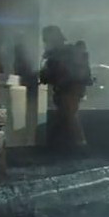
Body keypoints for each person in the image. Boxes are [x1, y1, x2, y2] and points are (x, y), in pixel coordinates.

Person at [38, 26, 94, 154]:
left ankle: (80, 146)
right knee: (66, 116)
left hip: (70, 88)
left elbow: (62, 72)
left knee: (69, 115)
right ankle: (72, 147)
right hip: (67, 88)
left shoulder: (65, 53)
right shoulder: (62, 53)